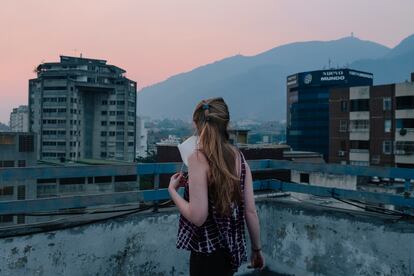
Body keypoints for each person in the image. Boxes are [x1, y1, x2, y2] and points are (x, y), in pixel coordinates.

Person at [168, 97, 265, 275]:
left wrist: (172, 191)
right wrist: (257, 249)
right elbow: (250, 211)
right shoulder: (239, 158)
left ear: (197, 124)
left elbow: (198, 217)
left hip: (205, 256)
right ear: (225, 124)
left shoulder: (197, 158)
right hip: (229, 254)